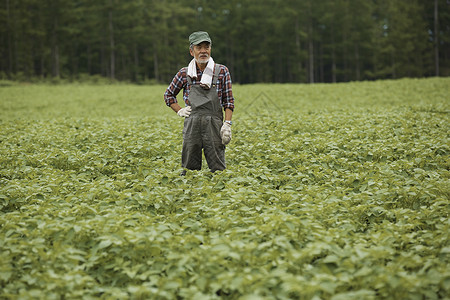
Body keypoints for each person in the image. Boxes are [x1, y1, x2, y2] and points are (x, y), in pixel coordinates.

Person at [164, 31, 235, 175]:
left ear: (210, 49)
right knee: (189, 169)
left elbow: (228, 101)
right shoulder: (184, 73)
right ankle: (189, 194)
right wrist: (179, 110)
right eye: (199, 47)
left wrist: (227, 124)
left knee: (218, 169)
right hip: (192, 124)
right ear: (192, 51)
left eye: (206, 47)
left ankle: (219, 194)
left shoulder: (221, 71)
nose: (203, 51)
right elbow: (169, 95)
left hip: (214, 125)